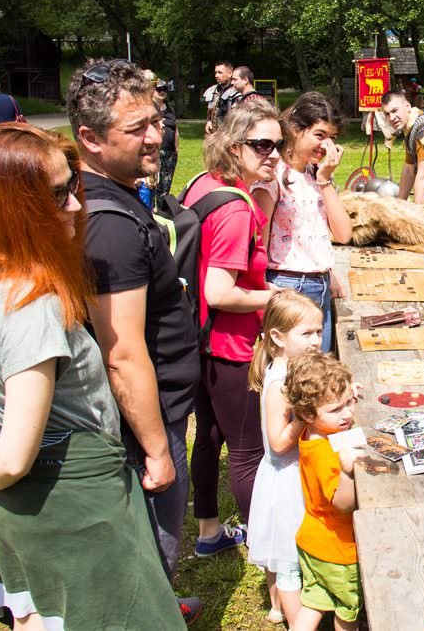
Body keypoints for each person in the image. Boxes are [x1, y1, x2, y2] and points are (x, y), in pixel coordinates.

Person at [0, 124, 185, 630]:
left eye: (74, 188)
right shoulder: (33, 303)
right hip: (71, 501)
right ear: (8, 207)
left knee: (39, 615)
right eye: (57, 194)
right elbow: (17, 455)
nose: (73, 206)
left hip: (20, 509)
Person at [67, 58, 202, 621]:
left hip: (160, 411)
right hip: (144, 423)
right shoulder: (112, 225)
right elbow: (121, 353)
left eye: (156, 121)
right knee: (147, 551)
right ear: (90, 139)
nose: (156, 137)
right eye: (136, 128)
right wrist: (156, 451)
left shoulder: (121, 197)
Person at [183, 103, 282, 554]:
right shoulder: (237, 209)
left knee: (207, 437)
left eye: (278, 144)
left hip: (197, 340)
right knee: (247, 452)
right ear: (234, 145)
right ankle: (266, 550)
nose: (274, 154)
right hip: (231, 346)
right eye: (262, 144)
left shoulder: (201, 184)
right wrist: (275, 297)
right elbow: (219, 290)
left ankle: (207, 533)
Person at [251, 91, 352, 353]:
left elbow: (343, 234)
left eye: (333, 139)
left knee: (316, 373)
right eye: (320, 135)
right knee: (295, 374)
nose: (327, 146)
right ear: (296, 130)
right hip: (288, 285)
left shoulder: (314, 175)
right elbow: (257, 243)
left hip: (319, 285)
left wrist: (325, 180)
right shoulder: (273, 178)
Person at [248, 290, 325, 627]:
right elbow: (279, 443)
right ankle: (290, 612)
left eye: (319, 332)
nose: (316, 340)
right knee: (286, 548)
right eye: (306, 333)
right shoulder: (280, 381)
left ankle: (278, 604)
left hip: (288, 472)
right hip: (285, 475)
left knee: (278, 544)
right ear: (278, 337)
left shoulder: (289, 367)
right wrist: (304, 419)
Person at [287, 352, 363, 631]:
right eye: (337, 409)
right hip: (339, 550)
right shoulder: (325, 454)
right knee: (346, 613)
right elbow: (342, 503)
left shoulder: (313, 431)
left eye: (349, 403)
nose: (347, 414)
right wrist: (345, 472)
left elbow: (332, 410)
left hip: (312, 541)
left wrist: (343, 393)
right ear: (308, 413)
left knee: (314, 602)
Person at [154, 79, 179, 209]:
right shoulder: (150, 108)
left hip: (170, 152)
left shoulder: (169, 108)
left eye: (165, 89)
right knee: (155, 184)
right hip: (157, 151)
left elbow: (175, 129)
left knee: (166, 183)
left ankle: (162, 211)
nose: (162, 92)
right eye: (159, 89)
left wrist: (177, 147)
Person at [205, 60, 238, 135]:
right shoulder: (212, 90)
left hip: (230, 134)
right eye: (216, 73)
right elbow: (210, 110)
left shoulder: (237, 92)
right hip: (214, 134)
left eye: (220, 73)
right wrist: (209, 121)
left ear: (230, 73)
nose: (216, 75)